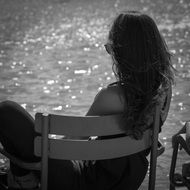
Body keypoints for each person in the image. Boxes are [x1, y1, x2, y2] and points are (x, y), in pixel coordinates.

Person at [0, 10, 175, 190]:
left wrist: (37, 151)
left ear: (125, 53)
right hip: (127, 180)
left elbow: (69, 144)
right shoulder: (163, 91)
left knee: (7, 112)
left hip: (83, 181)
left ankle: (22, 180)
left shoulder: (111, 97)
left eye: (111, 49)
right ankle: (22, 179)